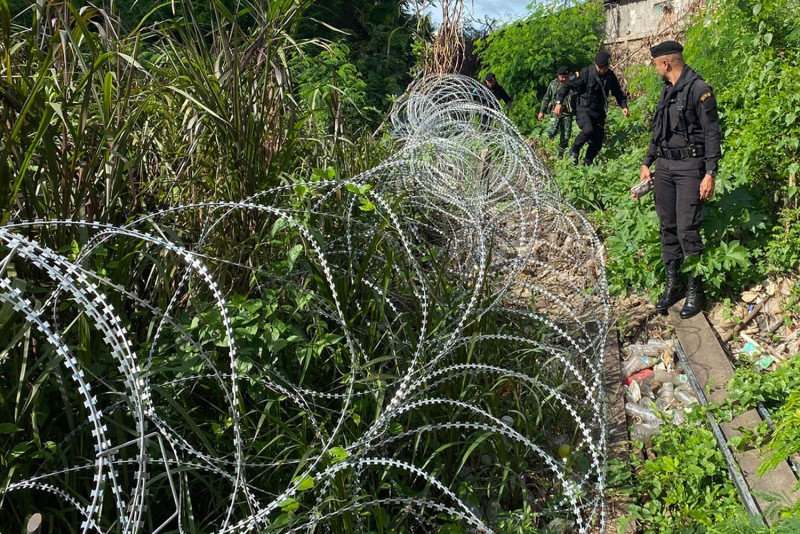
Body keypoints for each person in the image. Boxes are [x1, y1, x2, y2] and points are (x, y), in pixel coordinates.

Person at [638, 40, 721, 319]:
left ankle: (696, 290)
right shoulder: (666, 89)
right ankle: (674, 285)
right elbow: (658, 130)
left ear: (665, 63)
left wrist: (710, 172)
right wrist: (647, 162)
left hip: (689, 167)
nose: (655, 70)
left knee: (688, 228)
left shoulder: (700, 89)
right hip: (664, 166)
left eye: (655, 65)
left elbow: (712, 133)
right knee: (668, 227)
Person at [553, 51, 629, 166]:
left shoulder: (610, 75)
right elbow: (567, 85)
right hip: (583, 108)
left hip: (598, 111)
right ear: (598, 66)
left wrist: (623, 106)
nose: (605, 70)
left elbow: (617, 92)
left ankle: (587, 163)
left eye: (607, 67)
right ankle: (574, 149)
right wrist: (559, 102)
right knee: (588, 130)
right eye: (603, 68)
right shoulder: (585, 73)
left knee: (597, 142)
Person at [538, 66, 575, 157]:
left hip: (568, 113)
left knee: (566, 137)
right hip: (556, 112)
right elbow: (546, 98)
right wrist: (542, 111)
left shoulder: (573, 84)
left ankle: (561, 156)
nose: (563, 79)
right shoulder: (553, 84)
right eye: (561, 77)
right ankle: (545, 151)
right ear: (558, 76)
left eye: (565, 77)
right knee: (551, 132)